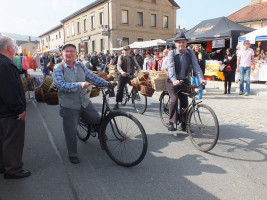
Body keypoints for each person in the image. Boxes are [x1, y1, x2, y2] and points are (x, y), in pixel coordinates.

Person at [52, 44, 110, 164]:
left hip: (84, 102)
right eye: (66, 51)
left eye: (72, 51)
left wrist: (107, 83)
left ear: (76, 53)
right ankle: (72, 154)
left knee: (98, 119)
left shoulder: (80, 65)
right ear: (62, 54)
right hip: (69, 105)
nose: (69, 53)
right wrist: (79, 84)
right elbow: (62, 85)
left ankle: (99, 133)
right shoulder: (59, 68)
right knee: (70, 131)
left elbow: (92, 77)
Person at [0, 36, 31, 179]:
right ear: (9, 48)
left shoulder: (4, 62)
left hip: (5, 111)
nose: (15, 49)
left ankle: (4, 166)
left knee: (5, 140)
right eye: (14, 46)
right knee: (13, 141)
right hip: (9, 112)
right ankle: (13, 169)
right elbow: (8, 91)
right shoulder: (4, 64)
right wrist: (19, 109)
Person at [166, 33, 205, 132]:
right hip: (172, 80)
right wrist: (174, 80)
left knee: (185, 101)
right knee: (174, 99)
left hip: (184, 80)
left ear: (186, 43)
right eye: (179, 42)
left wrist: (201, 79)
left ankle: (184, 124)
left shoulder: (190, 53)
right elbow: (170, 68)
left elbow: (196, 66)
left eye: (183, 42)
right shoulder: (171, 53)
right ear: (175, 44)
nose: (181, 44)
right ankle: (171, 122)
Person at [113, 45, 141, 110]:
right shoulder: (121, 57)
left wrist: (140, 71)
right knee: (120, 89)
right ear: (123, 51)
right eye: (125, 50)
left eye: (127, 50)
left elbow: (137, 66)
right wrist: (122, 72)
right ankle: (117, 103)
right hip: (123, 75)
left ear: (129, 51)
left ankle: (135, 94)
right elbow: (118, 66)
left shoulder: (132, 57)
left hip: (130, 74)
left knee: (136, 83)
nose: (126, 51)